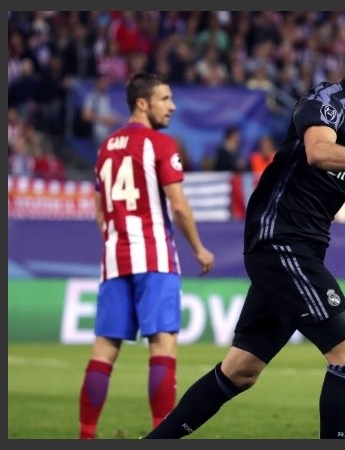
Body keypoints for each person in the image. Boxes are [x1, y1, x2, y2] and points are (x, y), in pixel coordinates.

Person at [143, 29, 345, 440]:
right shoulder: (323, 102)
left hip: (303, 248)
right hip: (279, 240)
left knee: (241, 370)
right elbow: (318, 151)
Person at [79, 72, 216, 439]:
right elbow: (179, 206)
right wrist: (199, 248)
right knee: (162, 346)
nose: (172, 106)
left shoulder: (105, 147)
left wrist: (116, 240)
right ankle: (160, 435)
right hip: (154, 258)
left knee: (104, 350)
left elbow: (99, 213)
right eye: (165, 99)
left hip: (114, 259)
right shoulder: (160, 144)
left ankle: (85, 435)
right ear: (142, 103)